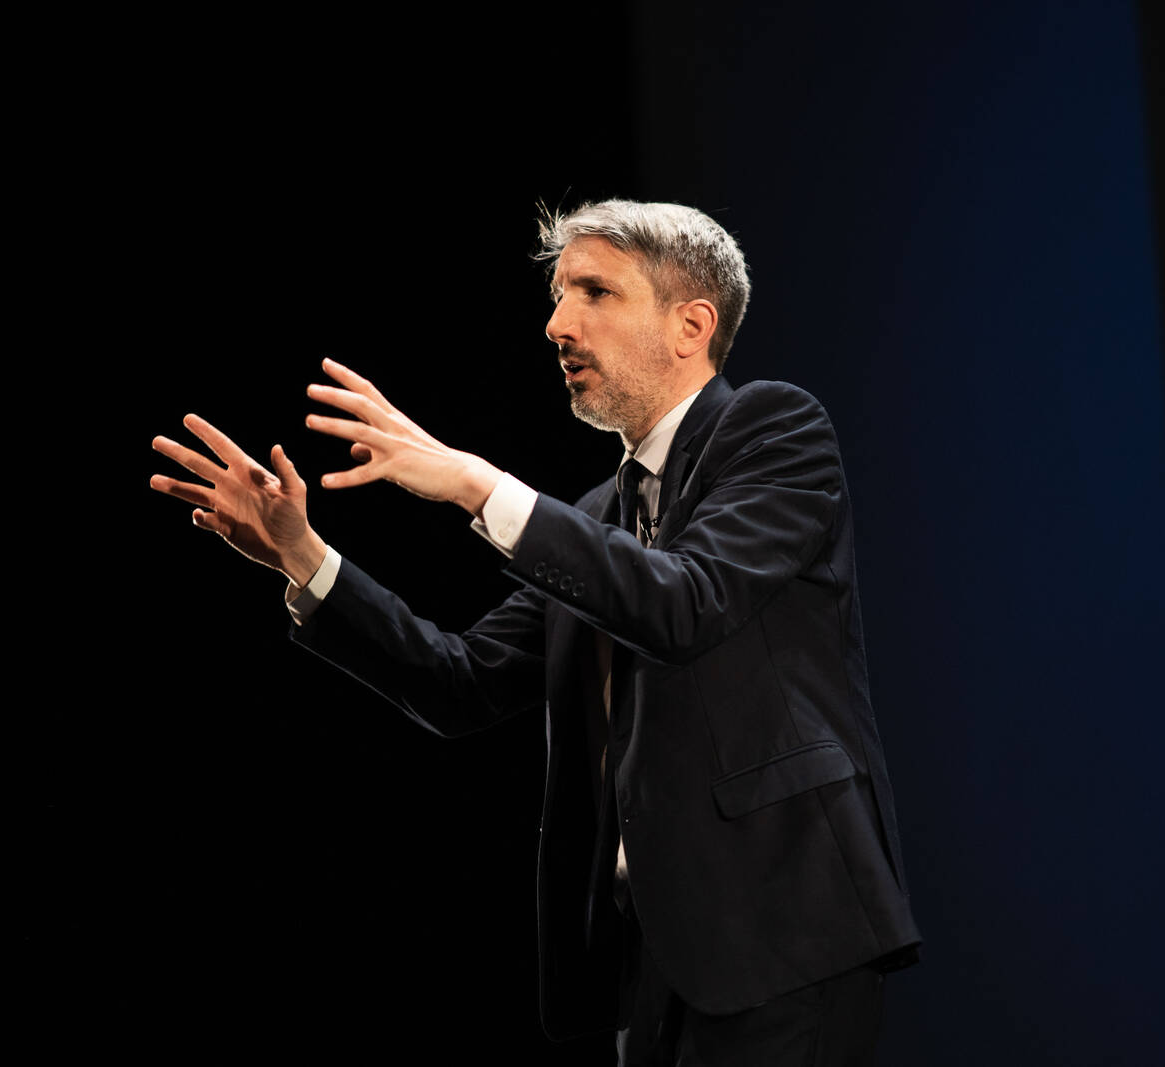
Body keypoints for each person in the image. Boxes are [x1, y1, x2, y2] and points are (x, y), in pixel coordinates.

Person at [150, 200, 920, 1064]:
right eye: (558, 297)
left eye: (595, 292)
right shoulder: (597, 519)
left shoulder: (776, 429)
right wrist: (302, 554)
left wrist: (478, 484)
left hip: (786, 932)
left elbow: (686, 600)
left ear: (691, 326)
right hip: (651, 965)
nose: (557, 325)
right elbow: (460, 680)